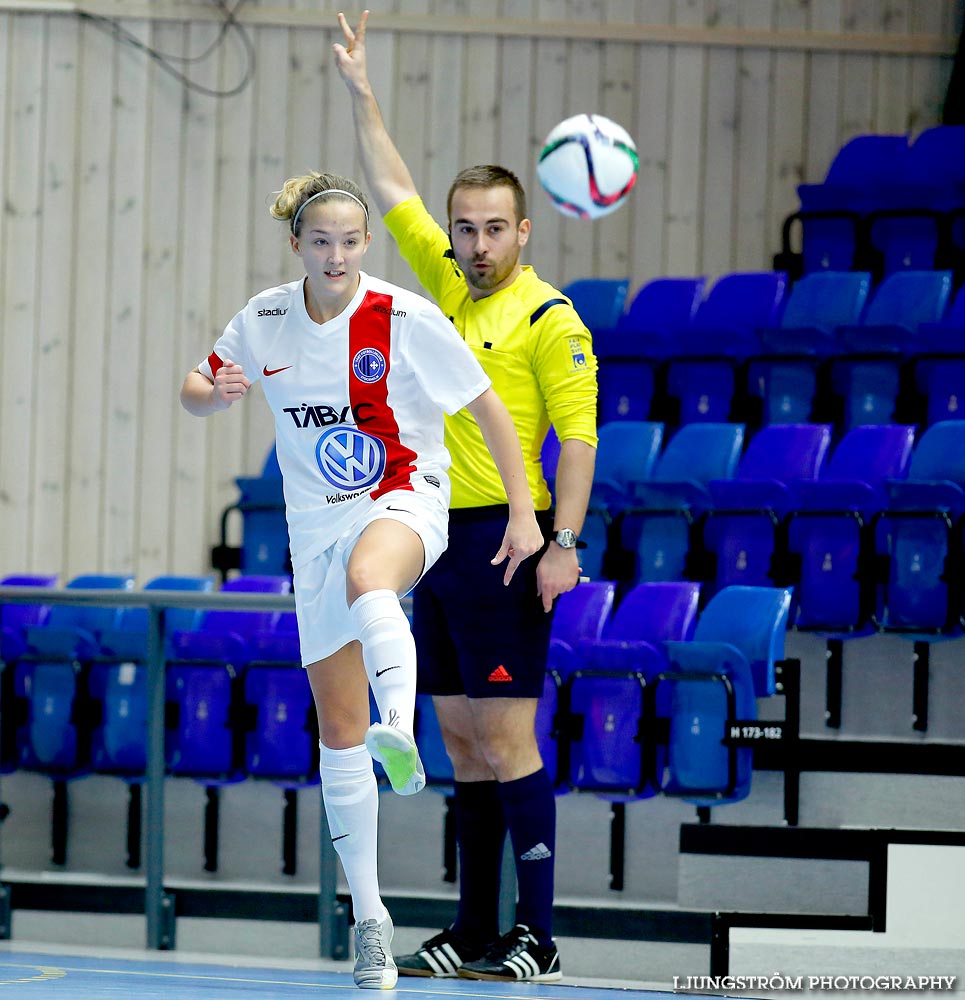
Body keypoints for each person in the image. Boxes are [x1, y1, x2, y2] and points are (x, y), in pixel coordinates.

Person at [180, 171, 544, 990]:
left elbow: (488, 408)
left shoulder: (403, 317)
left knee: (369, 578)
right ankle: (371, 919)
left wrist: (525, 514)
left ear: (364, 245)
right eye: (321, 242)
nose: (336, 255)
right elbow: (194, 388)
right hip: (311, 529)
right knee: (335, 733)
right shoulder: (266, 317)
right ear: (296, 247)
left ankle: (402, 729)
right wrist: (217, 393)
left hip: (404, 497)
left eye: (350, 241)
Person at [333, 11, 599, 984]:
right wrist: (362, 89)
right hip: (433, 532)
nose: (476, 242)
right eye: (465, 227)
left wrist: (559, 538)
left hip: (504, 541)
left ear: (523, 230)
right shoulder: (444, 285)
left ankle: (538, 933)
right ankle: (474, 929)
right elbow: (392, 185)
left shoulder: (547, 319)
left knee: (503, 734)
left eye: (493, 228)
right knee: (455, 738)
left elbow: (578, 433)